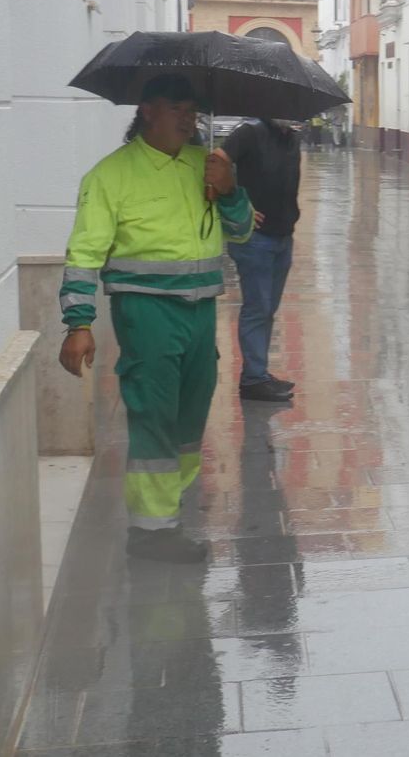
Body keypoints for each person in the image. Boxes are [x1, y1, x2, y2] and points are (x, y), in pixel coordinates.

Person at [57, 74, 255, 563]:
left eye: (193, 110)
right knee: (153, 413)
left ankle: (167, 504)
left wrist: (229, 190)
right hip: (145, 310)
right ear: (147, 110)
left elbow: (244, 232)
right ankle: (153, 530)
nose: (189, 119)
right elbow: (84, 253)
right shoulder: (110, 175)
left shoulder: (205, 166)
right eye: (177, 109)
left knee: (190, 415)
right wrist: (78, 322)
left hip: (200, 310)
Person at [222, 118, 301, 402]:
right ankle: (254, 379)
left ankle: (258, 373)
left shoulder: (292, 138)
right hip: (255, 240)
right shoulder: (249, 133)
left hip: (283, 237)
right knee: (258, 308)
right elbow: (218, 163)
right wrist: (237, 205)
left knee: (267, 309)